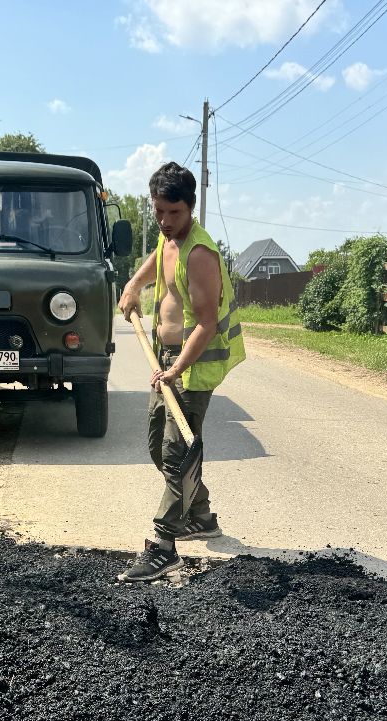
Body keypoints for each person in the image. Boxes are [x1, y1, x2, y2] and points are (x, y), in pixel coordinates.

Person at [116, 162, 245, 582]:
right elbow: (157, 259)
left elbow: (206, 323)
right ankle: (201, 515)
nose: (166, 221)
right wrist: (134, 285)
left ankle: (163, 546)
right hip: (165, 359)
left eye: (174, 213)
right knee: (160, 446)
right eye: (160, 212)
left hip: (192, 365)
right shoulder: (167, 236)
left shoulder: (202, 254)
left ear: (190, 207)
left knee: (176, 453)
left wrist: (176, 369)